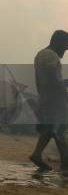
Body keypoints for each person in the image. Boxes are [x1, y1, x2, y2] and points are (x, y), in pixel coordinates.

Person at [30, 30, 68, 171]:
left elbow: (50, 80)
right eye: (66, 45)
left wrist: (64, 82)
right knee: (60, 132)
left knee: (49, 130)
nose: (66, 49)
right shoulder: (52, 57)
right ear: (59, 42)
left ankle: (37, 154)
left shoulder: (41, 54)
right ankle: (65, 165)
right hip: (56, 102)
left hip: (46, 99)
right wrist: (66, 95)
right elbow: (55, 81)